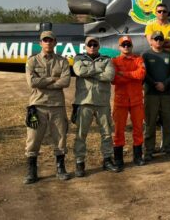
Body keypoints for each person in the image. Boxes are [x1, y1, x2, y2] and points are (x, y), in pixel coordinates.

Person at [23, 30, 72, 184]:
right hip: (37, 105)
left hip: (57, 106)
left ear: (55, 42)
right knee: (33, 138)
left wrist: (43, 82)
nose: (48, 43)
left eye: (50, 40)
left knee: (60, 138)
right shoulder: (32, 61)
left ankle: (60, 167)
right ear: (40, 43)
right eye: (45, 40)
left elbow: (65, 82)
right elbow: (32, 83)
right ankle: (32, 171)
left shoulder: (62, 61)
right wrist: (53, 79)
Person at [72, 36, 116, 176]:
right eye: (89, 44)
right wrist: (98, 70)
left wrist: (90, 71)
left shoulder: (107, 59)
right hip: (84, 102)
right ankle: (80, 162)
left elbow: (109, 76)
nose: (92, 46)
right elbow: (79, 72)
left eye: (94, 44)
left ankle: (107, 160)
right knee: (81, 134)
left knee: (107, 133)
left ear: (98, 46)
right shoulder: (79, 59)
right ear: (85, 46)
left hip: (102, 102)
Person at [111, 35, 147, 171]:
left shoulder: (139, 59)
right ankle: (118, 159)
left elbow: (141, 75)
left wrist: (123, 74)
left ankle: (138, 157)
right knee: (118, 130)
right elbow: (114, 79)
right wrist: (131, 75)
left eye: (128, 44)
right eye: (123, 45)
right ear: (119, 47)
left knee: (138, 128)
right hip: (121, 101)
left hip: (137, 100)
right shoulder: (114, 61)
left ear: (132, 46)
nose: (126, 47)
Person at [142, 31, 170, 162]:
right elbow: (144, 73)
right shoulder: (145, 55)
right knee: (150, 123)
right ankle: (149, 150)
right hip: (151, 93)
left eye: (160, 39)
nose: (158, 41)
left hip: (167, 93)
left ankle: (167, 147)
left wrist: (165, 84)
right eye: (155, 39)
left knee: (168, 121)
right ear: (151, 41)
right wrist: (155, 84)